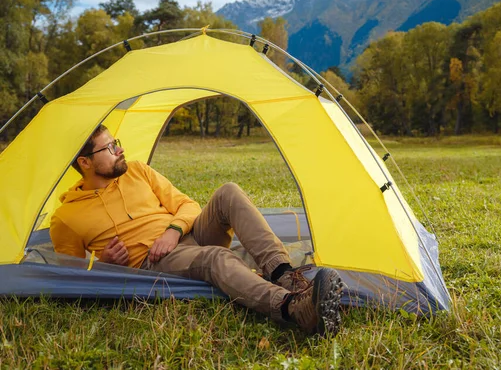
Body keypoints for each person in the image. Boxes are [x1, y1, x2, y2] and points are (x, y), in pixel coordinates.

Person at [50, 124, 343, 335]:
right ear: (85, 162)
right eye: (110, 148)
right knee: (215, 258)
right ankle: (293, 309)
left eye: (117, 142)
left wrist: (173, 231)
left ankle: (285, 276)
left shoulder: (138, 171)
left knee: (228, 193)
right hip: (150, 262)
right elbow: (70, 278)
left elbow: (188, 205)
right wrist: (105, 266)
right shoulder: (67, 217)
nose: (120, 149)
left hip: (183, 236)